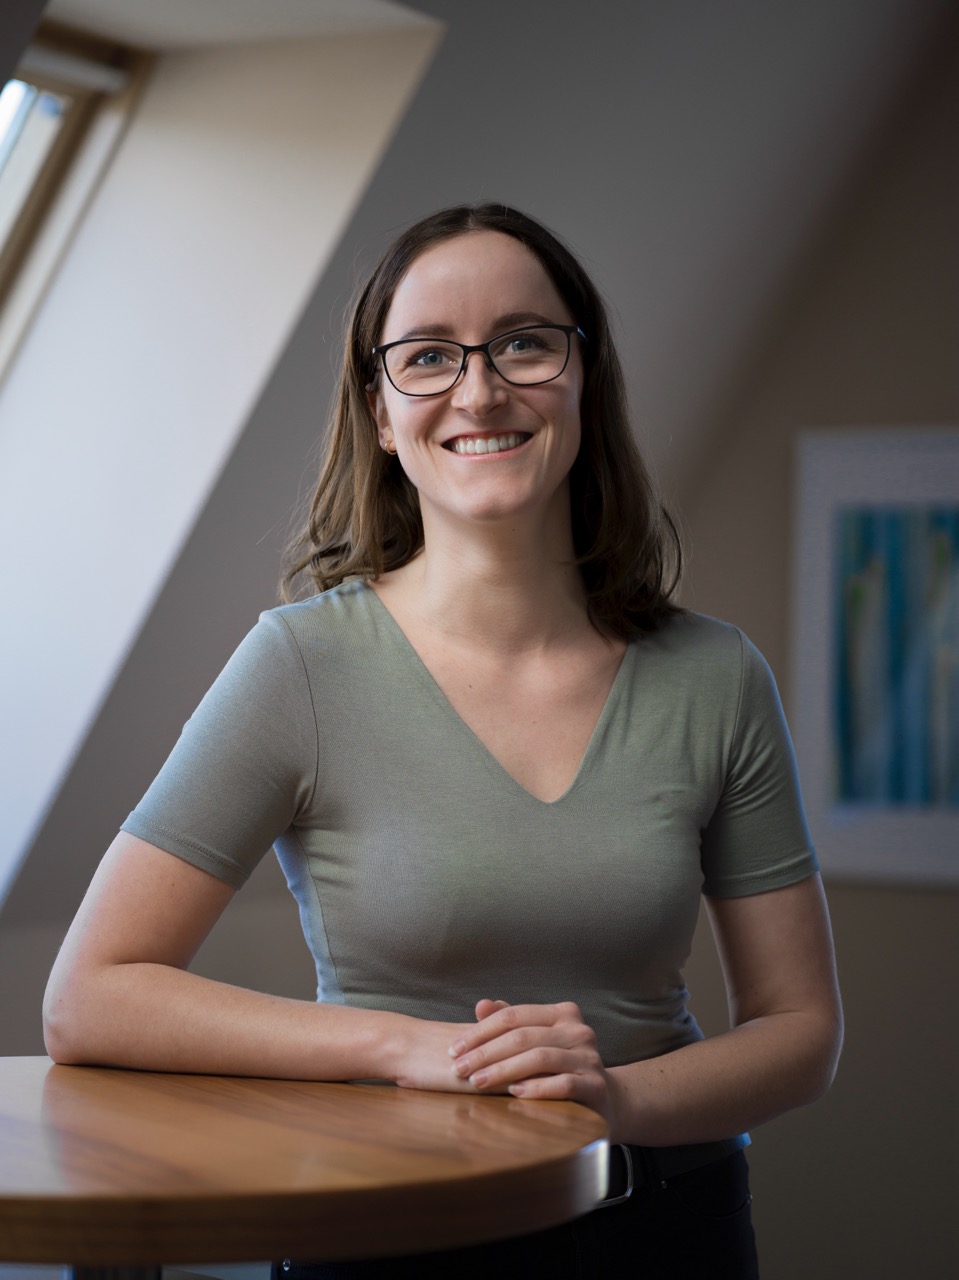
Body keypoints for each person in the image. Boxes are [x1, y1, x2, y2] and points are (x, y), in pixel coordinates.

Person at [43, 203, 843, 1278]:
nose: (478, 390)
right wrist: (406, 1047)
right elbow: (90, 993)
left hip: (664, 1227)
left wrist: (611, 1098)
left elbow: (799, 1029)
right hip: (380, 1230)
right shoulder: (298, 666)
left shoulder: (716, 675)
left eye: (522, 341)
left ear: (582, 379)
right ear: (379, 410)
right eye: (427, 356)